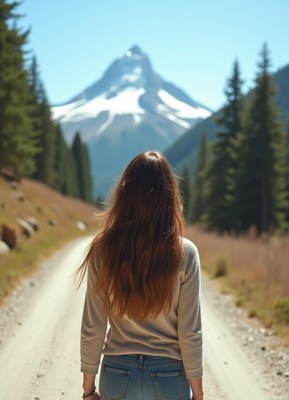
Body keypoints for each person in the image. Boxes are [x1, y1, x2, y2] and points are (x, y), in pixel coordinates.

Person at [77, 150, 203, 400]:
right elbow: (190, 332)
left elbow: (94, 324)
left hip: (116, 374)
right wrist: (198, 394)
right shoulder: (185, 252)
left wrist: (88, 388)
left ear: (124, 195)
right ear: (169, 197)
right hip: (169, 378)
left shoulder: (103, 249)